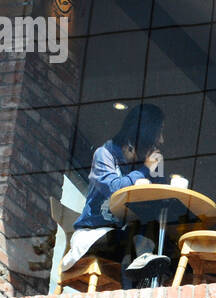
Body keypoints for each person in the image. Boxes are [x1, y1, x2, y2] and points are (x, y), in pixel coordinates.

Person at [63, 103, 170, 286]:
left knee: (159, 242)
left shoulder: (146, 161)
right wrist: (145, 170)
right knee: (134, 240)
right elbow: (115, 188)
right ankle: (130, 296)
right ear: (145, 131)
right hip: (94, 234)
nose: (161, 140)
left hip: (126, 236)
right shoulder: (105, 154)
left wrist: (159, 176)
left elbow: (156, 202)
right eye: (158, 132)